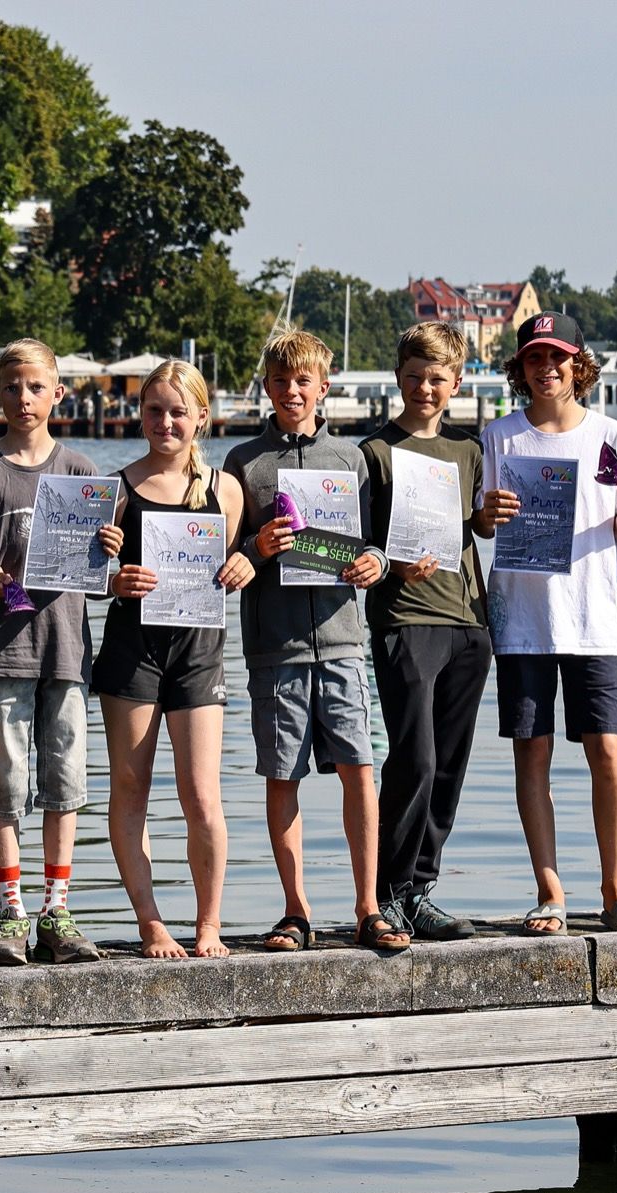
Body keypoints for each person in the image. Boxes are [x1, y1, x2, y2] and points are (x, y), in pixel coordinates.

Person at [222, 331, 404, 954]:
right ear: (267, 389)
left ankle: (367, 908)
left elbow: (375, 543)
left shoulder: (350, 461)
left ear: (323, 388)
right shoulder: (243, 463)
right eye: (280, 382)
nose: (292, 391)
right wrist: (255, 549)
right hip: (275, 648)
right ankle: (295, 911)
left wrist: (373, 563)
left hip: (344, 643)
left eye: (303, 382)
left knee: (359, 769)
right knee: (282, 776)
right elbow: (220, 557)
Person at [480, 313, 617, 933]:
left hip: (593, 618)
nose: (546, 368)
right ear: (521, 368)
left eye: (557, 357)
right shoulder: (498, 437)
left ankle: (615, 889)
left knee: (606, 750)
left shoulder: (611, 436)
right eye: (534, 358)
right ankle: (550, 891)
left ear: (579, 364)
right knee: (534, 752)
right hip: (522, 620)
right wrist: (486, 515)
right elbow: (480, 524)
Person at [0, 339, 122, 966]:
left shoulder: (81, 472)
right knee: (5, 778)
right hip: (3, 649)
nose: (23, 399)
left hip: (68, 650)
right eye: (12, 388)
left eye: (35, 387)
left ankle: (57, 906)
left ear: (58, 393)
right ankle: (11, 910)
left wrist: (109, 545)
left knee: (66, 779)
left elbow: (103, 571)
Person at [95, 359, 251, 959]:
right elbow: (81, 576)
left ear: (201, 418)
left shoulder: (225, 490)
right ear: (140, 415)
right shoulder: (116, 488)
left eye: (178, 412)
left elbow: (239, 557)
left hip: (199, 652)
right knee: (130, 787)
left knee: (201, 795)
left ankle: (208, 922)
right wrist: (113, 580)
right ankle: (151, 920)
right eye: (154, 410)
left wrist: (246, 565)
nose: (166, 422)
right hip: (131, 651)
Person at [362, 323, 500, 942]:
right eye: (415, 375)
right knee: (412, 758)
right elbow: (359, 548)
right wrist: (389, 565)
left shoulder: (469, 452)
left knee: (448, 764)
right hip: (404, 618)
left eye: (437, 378)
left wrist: (488, 517)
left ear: (457, 383)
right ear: (399, 377)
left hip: (468, 621)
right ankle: (386, 893)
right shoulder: (373, 453)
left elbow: (476, 528)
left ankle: (420, 888)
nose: (425, 387)